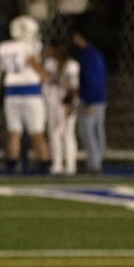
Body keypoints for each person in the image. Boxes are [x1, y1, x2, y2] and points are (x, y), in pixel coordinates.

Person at [0, 15, 50, 173]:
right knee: (37, 131)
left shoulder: (3, 47)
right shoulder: (28, 47)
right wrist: (46, 76)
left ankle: (11, 165)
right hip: (30, 91)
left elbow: (1, 69)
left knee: (14, 132)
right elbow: (34, 66)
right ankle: (44, 163)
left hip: (11, 92)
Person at [71, 30, 107, 173]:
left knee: (88, 132)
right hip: (98, 98)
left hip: (91, 100)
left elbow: (92, 79)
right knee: (96, 132)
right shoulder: (95, 54)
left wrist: (90, 101)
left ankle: (94, 164)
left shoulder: (88, 56)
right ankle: (96, 162)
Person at [42, 41, 79, 176]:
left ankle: (70, 166)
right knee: (54, 135)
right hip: (52, 105)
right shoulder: (49, 64)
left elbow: (74, 88)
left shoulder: (72, 65)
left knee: (68, 134)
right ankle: (57, 164)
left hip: (65, 104)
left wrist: (70, 105)